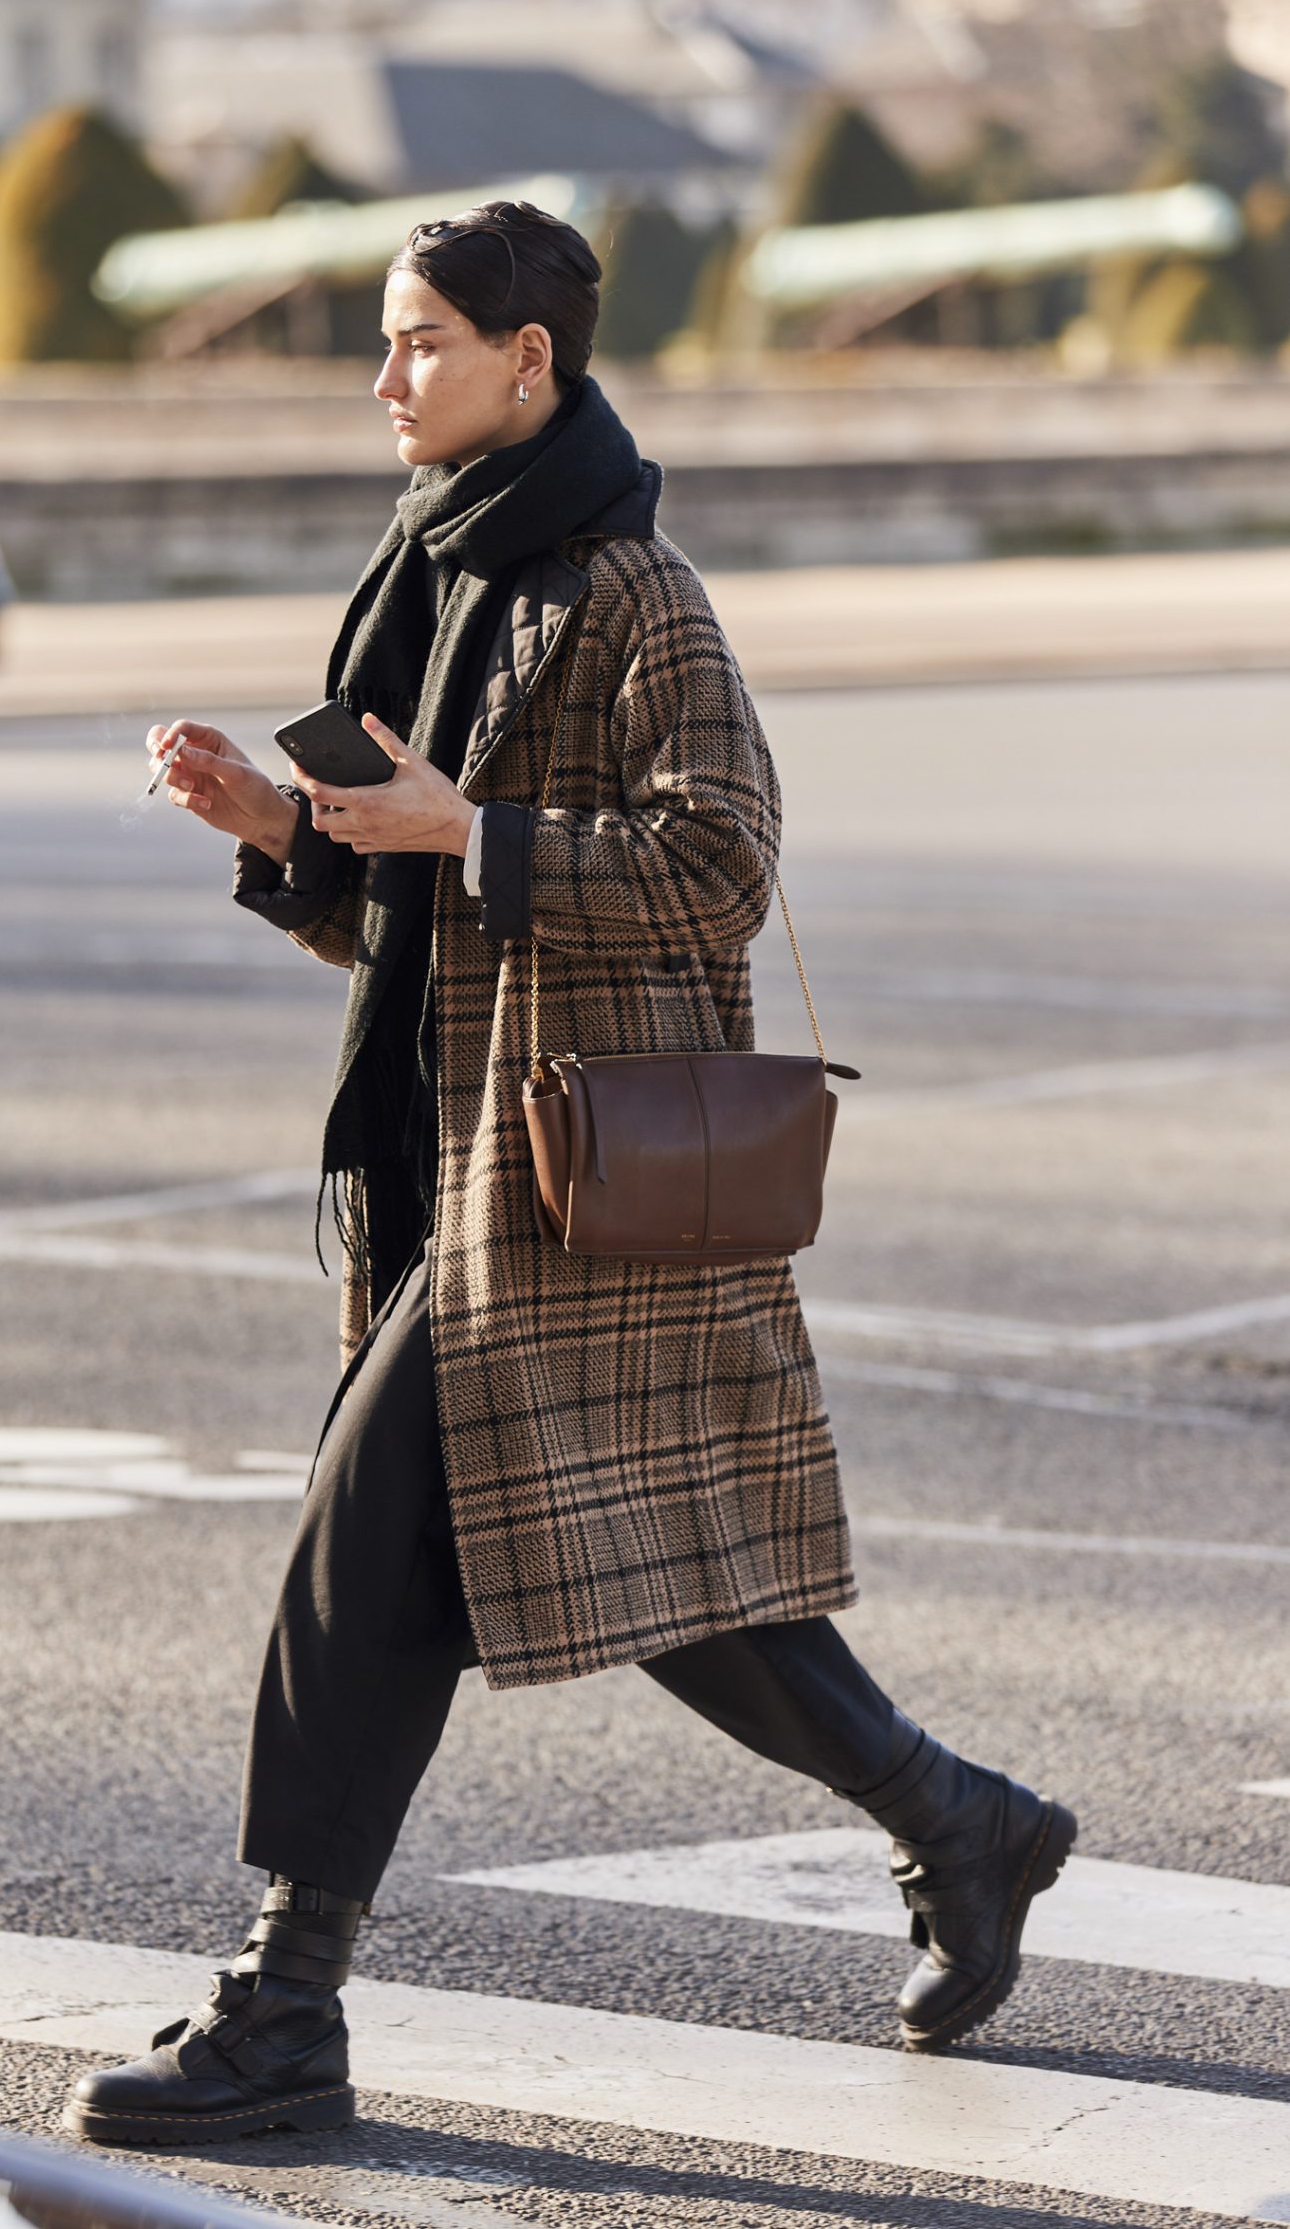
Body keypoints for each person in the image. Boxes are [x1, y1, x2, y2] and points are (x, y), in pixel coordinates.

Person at [65, 200, 1074, 2151]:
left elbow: (721, 856)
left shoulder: (627, 589)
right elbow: (412, 913)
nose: (384, 377)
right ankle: (965, 1821)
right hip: (452, 1160)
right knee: (651, 1577)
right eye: (384, 340)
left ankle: (284, 2010)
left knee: (364, 1560)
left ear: (531, 364)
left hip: (560, 1175)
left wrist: (478, 829)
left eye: (421, 341)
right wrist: (285, 825)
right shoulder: (437, 574)